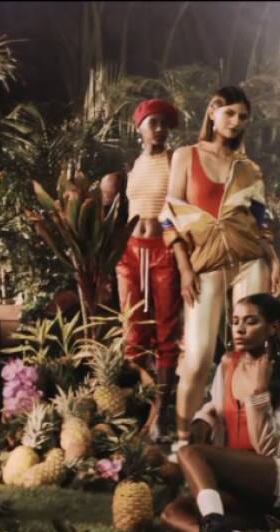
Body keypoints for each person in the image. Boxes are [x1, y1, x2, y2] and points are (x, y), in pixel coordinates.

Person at [160, 86, 280, 455]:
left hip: (249, 261)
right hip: (206, 265)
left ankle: (250, 440)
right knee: (198, 355)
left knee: (252, 351)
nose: (236, 122)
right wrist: (185, 269)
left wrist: (275, 261)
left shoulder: (249, 169)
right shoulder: (185, 156)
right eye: (229, 113)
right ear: (212, 112)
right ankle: (183, 441)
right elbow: (170, 218)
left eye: (243, 117)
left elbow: (261, 222)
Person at [160, 293, 280, 532]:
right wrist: (203, 421)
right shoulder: (228, 363)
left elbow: (270, 449)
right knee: (172, 513)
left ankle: (215, 530)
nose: (240, 329)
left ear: (273, 327)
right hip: (238, 484)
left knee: (189, 453)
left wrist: (259, 393)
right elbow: (217, 406)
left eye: (251, 322)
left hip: (279, 481)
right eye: (235, 322)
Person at [115, 99, 182, 441]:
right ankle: (140, 410)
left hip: (163, 250)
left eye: (164, 124)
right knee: (133, 334)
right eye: (153, 122)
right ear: (138, 126)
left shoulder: (175, 161)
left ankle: (161, 415)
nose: (160, 129)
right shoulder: (134, 164)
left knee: (166, 332)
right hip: (130, 252)